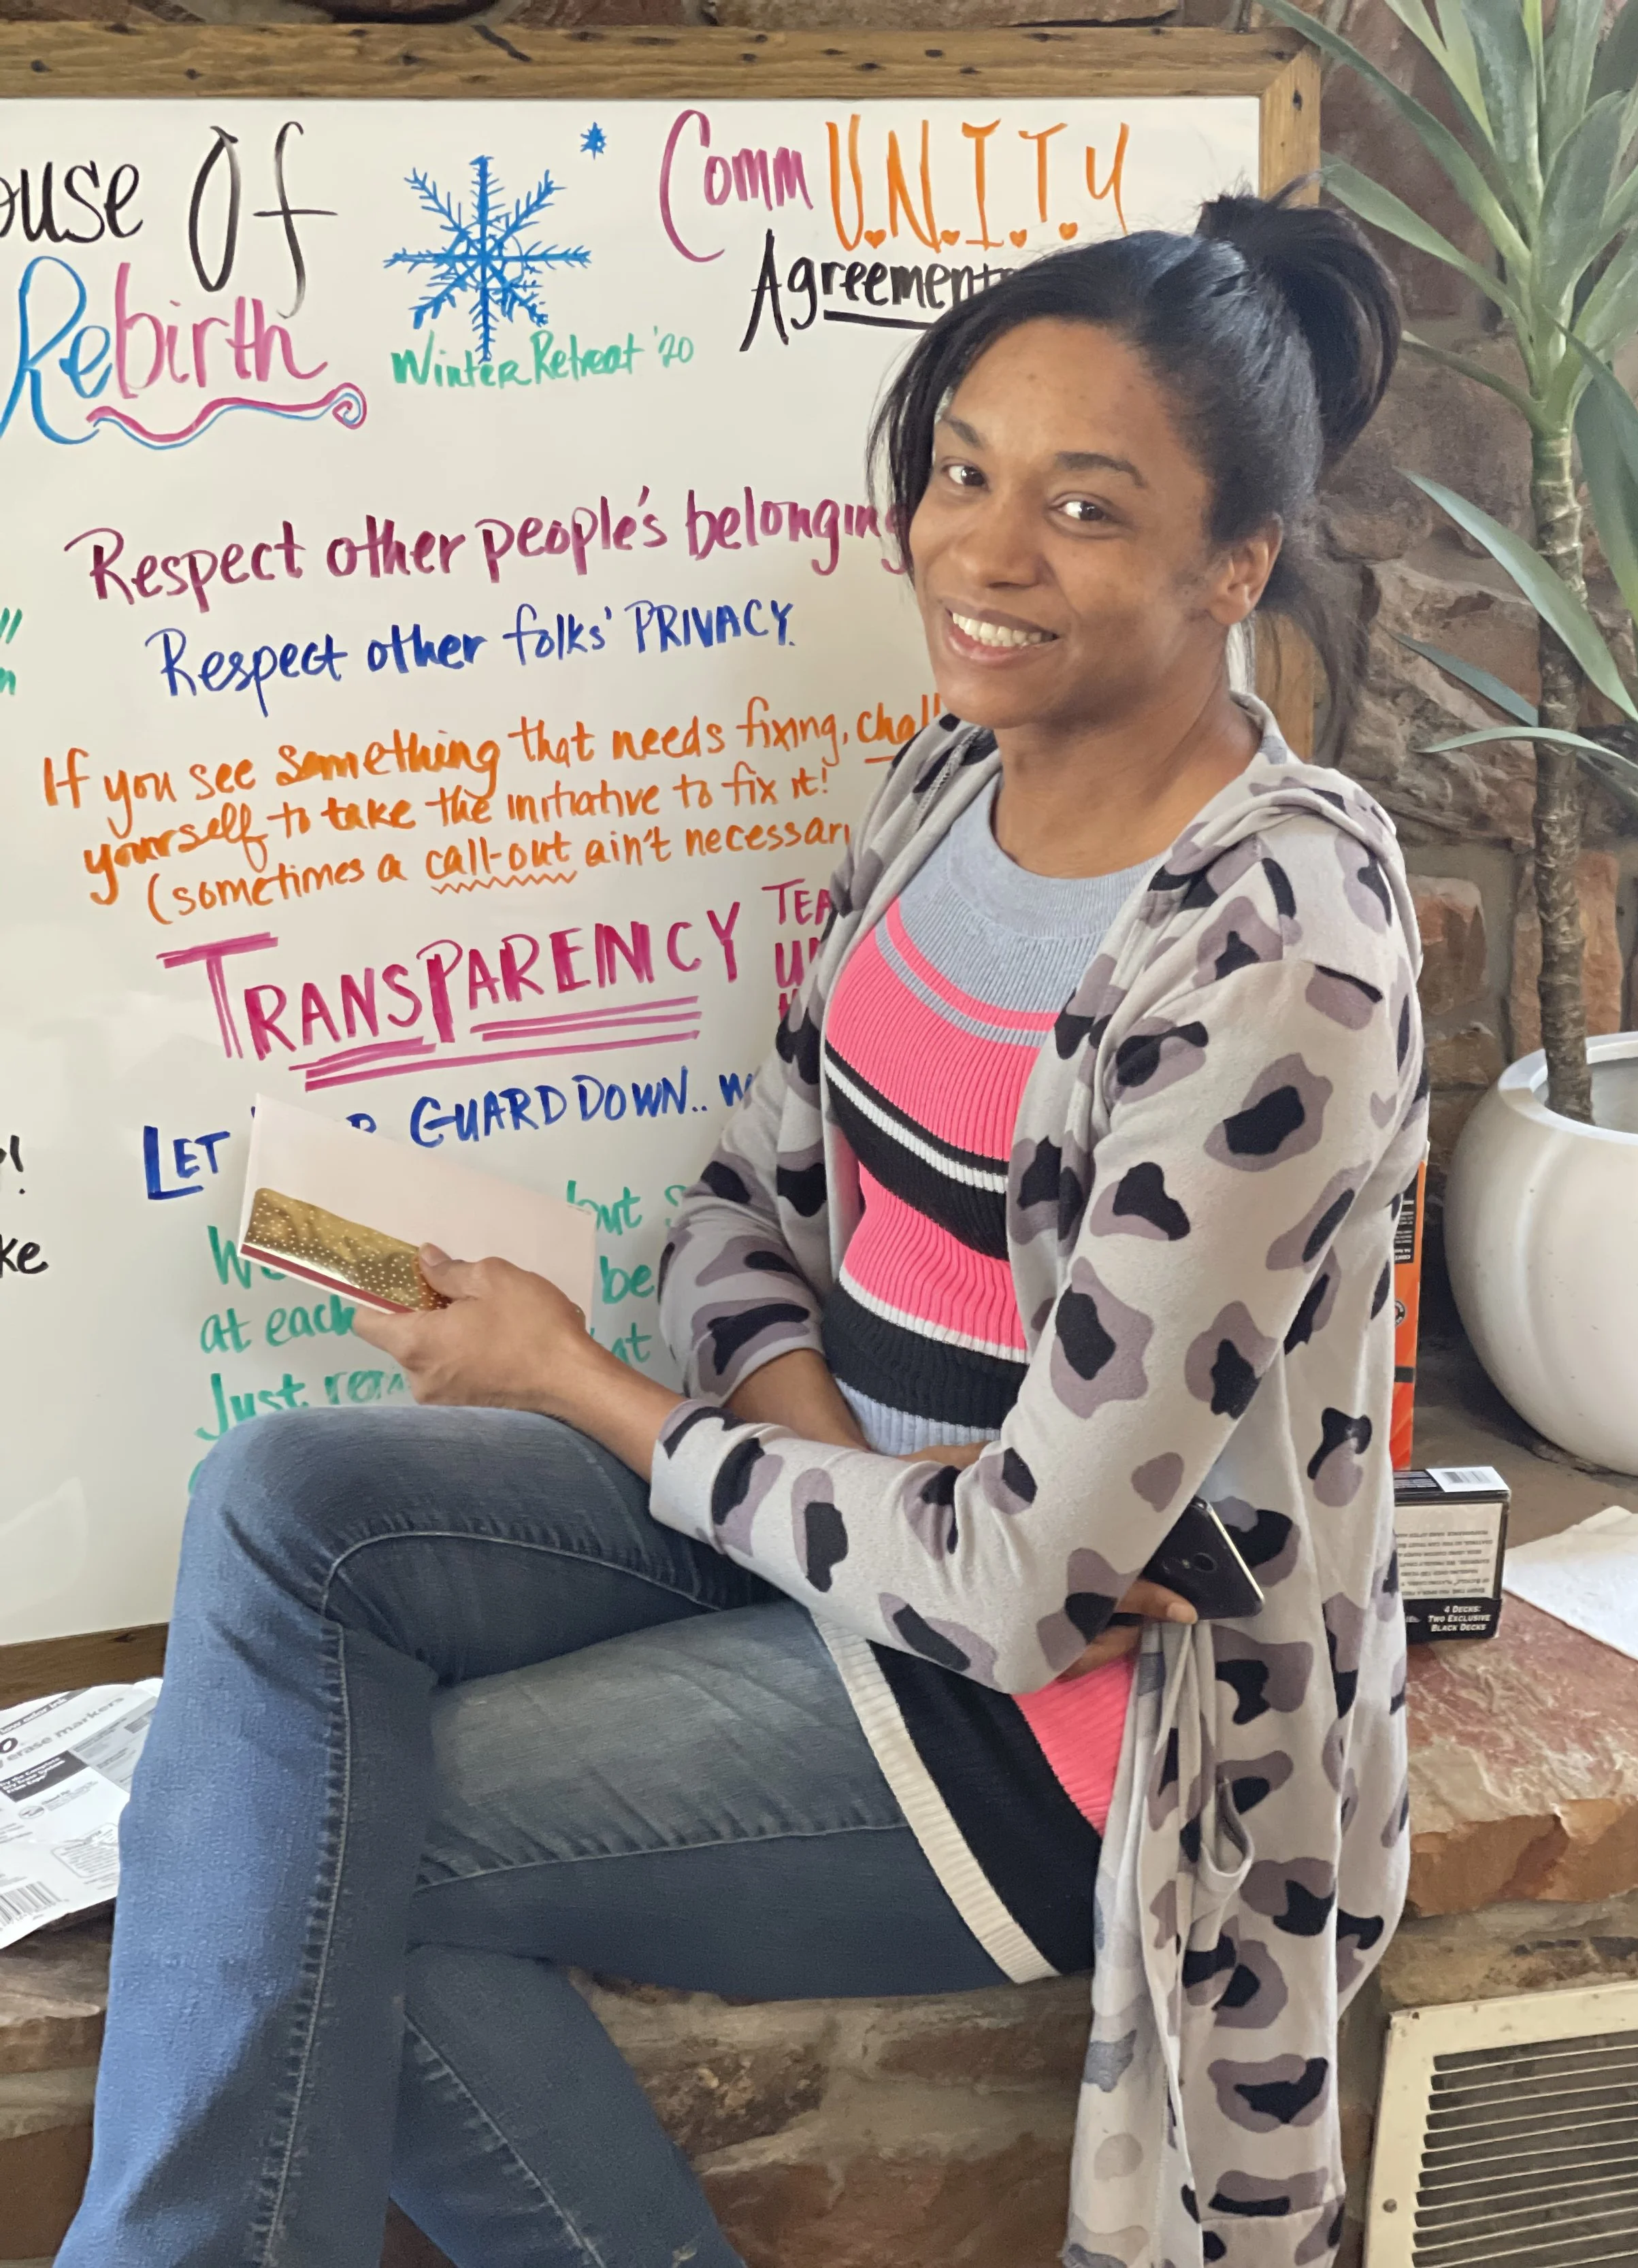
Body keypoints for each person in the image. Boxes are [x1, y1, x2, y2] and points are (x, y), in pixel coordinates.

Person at [59, 184, 1424, 2268]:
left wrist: (587, 1391)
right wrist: (843, 1465)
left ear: (1233, 562)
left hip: (1068, 1741)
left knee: (336, 1837)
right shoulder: (954, 778)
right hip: (838, 1511)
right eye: (959, 470)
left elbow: (1019, 1600)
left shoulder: (1277, 954)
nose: (979, 549)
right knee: (284, 1500)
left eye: (1080, 507)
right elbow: (745, 1199)